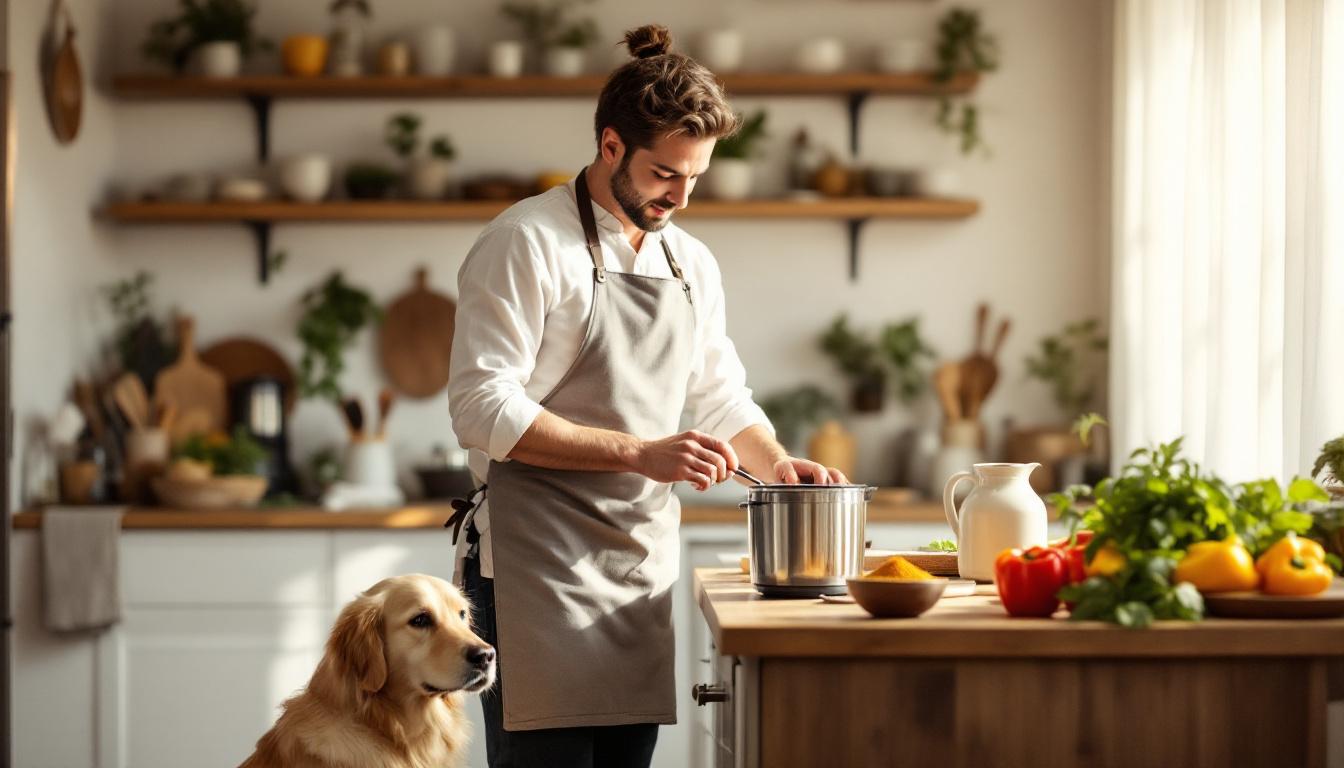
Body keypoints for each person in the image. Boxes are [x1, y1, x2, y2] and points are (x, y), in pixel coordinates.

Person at [446, 24, 848, 768]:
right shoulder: (527, 243)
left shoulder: (689, 261)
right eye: (666, 173)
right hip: (536, 575)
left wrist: (777, 464)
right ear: (609, 147)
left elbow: (720, 395)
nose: (682, 196)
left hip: (636, 575)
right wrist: (640, 452)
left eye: (696, 177)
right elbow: (480, 407)